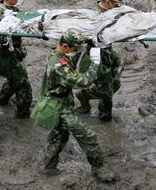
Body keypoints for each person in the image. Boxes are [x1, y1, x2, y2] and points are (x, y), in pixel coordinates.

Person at [38, 28, 118, 182]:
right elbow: (83, 81)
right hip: (60, 109)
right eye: (74, 48)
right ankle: (99, 169)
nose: (77, 50)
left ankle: (48, 168)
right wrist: (94, 64)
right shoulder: (58, 65)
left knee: (58, 138)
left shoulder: (58, 56)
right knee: (89, 136)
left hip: (59, 104)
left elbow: (72, 67)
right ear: (66, 46)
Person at [76, 0, 125, 122]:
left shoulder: (112, 13)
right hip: (96, 56)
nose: (117, 7)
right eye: (116, 4)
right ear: (108, 2)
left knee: (115, 83)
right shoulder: (94, 17)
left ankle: (87, 95)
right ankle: (104, 116)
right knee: (106, 90)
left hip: (108, 53)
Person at [0, 0, 32, 118]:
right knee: (23, 85)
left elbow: (24, 23)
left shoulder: (16, 11)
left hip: (17, 51)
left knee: (13, 81)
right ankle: (23, 115)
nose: (20, 1)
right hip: (7, 54)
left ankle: (0, 102)